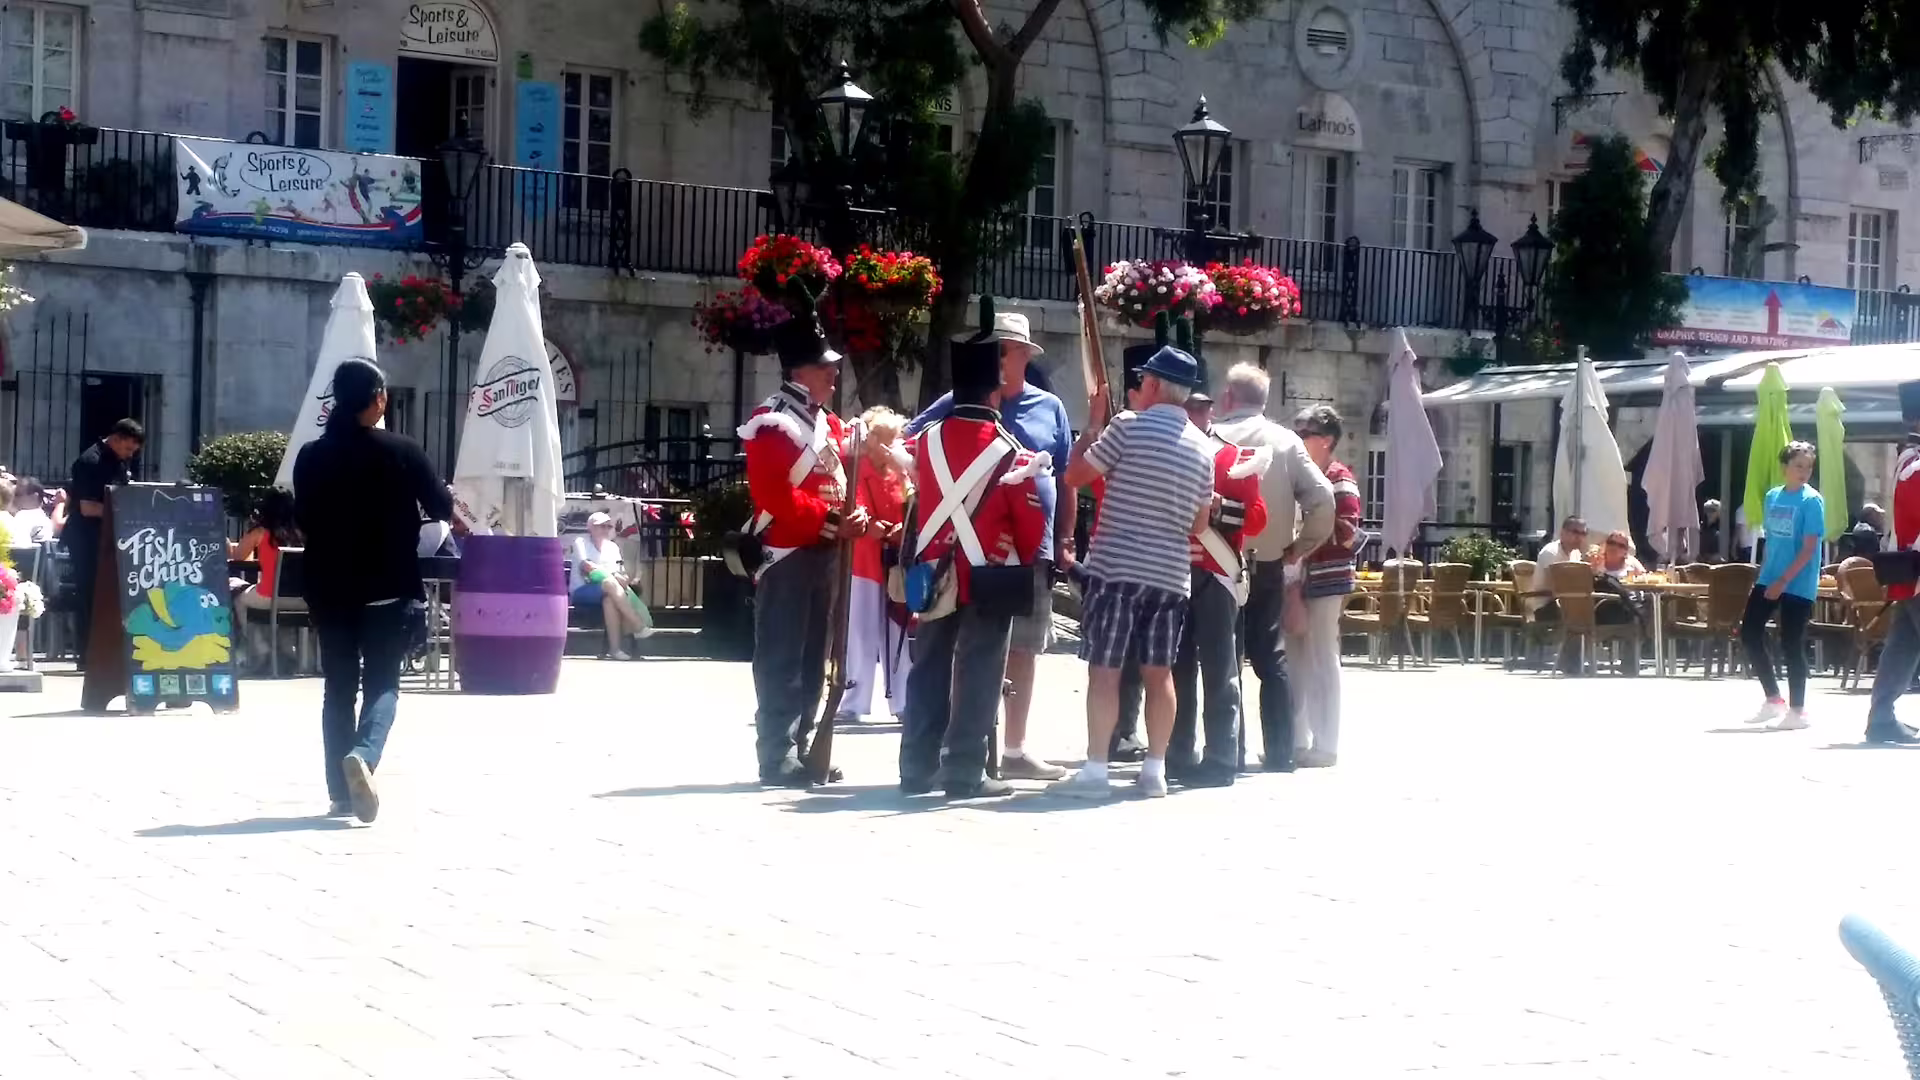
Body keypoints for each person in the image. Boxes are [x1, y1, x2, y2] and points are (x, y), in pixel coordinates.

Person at [907, 310, 1073, 782]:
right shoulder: (1008, 449)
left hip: (937, 562)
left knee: (932, 666)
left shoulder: (931, 441)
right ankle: (963, 768)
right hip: (991, 566)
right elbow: (1027, 518)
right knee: (980, 668)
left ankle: (916, 766)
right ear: (992, 389)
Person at [292, 359, 451, 823]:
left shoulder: (310, 455)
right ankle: (364, 754)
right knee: (383, 682)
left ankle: (340, 795)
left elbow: (304, 519)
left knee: (338, 689)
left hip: (329, 587)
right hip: (388, 584)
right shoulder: (401, 450)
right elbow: (441, 505)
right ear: (378, 399)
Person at [1056, 346, 1217, 799]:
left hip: (1117, 569)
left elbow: (1076, 475)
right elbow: (1200, 524)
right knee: (1158, 673)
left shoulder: (1126, 426)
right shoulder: (1203, 449)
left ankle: (1096, 768)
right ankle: (1155, 770)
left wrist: (1092, 425)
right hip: (1170, 575)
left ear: (1151, 385)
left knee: (1105, 670)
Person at [739, 313, 866, 788]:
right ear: (798, 371)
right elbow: (776, 497)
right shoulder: (771, 421)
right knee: (782, 659)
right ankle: (777, 754)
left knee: (816, 658)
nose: (833, 374)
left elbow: (843, 483)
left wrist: (853, 518)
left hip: (827, 550)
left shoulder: (828, 424)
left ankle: (806, 745)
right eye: (823, 367)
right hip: (789, 552)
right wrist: (833, 520)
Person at [1211, 363, 1334, 771]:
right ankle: (1281, 752)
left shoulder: (1210, 437)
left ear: (1228, 397)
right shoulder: (1286, 442)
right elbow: (1323, 499)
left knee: (1224, 659)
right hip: (1267, 561)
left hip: (1218, 560)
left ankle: (1229, 750)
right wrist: (1298, 548)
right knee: (1271, 657)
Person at [1167, 390, 1269, 788]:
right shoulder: (1165, 451)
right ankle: (1176, 753)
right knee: (1174, 670)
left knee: (1219, 669)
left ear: (1211, 410)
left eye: (1199, 406)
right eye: (1188, 405)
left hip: (1215, 569)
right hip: (1173, 567)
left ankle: (1222, 757)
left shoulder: (1235, 458)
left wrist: (1217, 506)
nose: (1194, 413)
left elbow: (1258, 519)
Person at [1289, 405, 1362, 768]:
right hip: (1298, 577)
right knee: (1294, 656)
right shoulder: (1302, 476)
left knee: (1322, 657)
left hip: (1327, 577)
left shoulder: (1339, 478)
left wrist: (1306, 529)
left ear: (1327, 440)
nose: (1299, 439)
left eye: (1306, 434)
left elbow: (1348, 533)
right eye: (1297, 432)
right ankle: (1297, 738)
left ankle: (1326, 743)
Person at [1740, 441, 1825, 731]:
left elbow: (1808, 548)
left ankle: (1798, 710)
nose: (1804, 472)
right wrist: (1766, 575)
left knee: (1791, 642)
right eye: (1798, 466)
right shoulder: (1772, 496)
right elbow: (1773, 541)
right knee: (1750, 632)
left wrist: (1784, 580)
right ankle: (1773, 699)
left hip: (1798, 581)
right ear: (1785, 467)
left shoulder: (1811, 501)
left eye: (1808, 467)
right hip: (1769, 576)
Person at [843, 406, 914, 726]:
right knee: (860, 631)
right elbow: (854, 505)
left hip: (892, 561)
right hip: (864, 560)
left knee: (897, 630)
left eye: (892, 440)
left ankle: (903, 700)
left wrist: (901, 529)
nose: (888, 447)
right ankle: (853, 700)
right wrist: (880, 527)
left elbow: (910, 509)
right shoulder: (855, 469)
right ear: (869, 440)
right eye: (882, 440)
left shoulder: (900, 473)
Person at [1865, 380, 1920, 744]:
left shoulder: (1910, 460)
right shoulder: (1915, 464)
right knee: (1903, 644)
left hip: (1911, 572)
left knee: (1903, 644)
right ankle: (1881, 717)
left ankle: (1882, 716)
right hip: (1917, 569)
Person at [64, 419, 142, 664]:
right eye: (128, 449)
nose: (130, 455)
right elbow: (87, 507)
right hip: (87, 538)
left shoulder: (118, 461)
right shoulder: (90, 461)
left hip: (109, 536)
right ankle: (88, 656)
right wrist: (124, 512)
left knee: (111, 594)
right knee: (91, 593)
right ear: (117, 438)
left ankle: (108, 652)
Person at [228, 489, 305, 671]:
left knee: (238, 598)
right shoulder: (301, 533)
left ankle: (260, 649)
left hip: (270, 596)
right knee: (276, 610)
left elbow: (237, 556)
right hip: (303, 599)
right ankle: (287, 654)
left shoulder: (260, 532)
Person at [570, 511, 647, 660]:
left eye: (608, 526)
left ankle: (615, 650)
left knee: (609, 601)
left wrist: (623, 578)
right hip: (582, 590)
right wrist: (612, 575)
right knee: (609, 581)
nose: (605, 529)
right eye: (601, 526)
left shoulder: (612, 547)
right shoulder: (581, 542)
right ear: (590, 527)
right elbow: (586, 566)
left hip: (608, 592)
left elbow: (620, 572)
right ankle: (638, 625)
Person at [8, 478, 54, 544]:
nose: (13, 498)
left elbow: (19, 545)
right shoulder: (44, 518)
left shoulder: (24, 516)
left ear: (34, 497)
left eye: (17, 494)